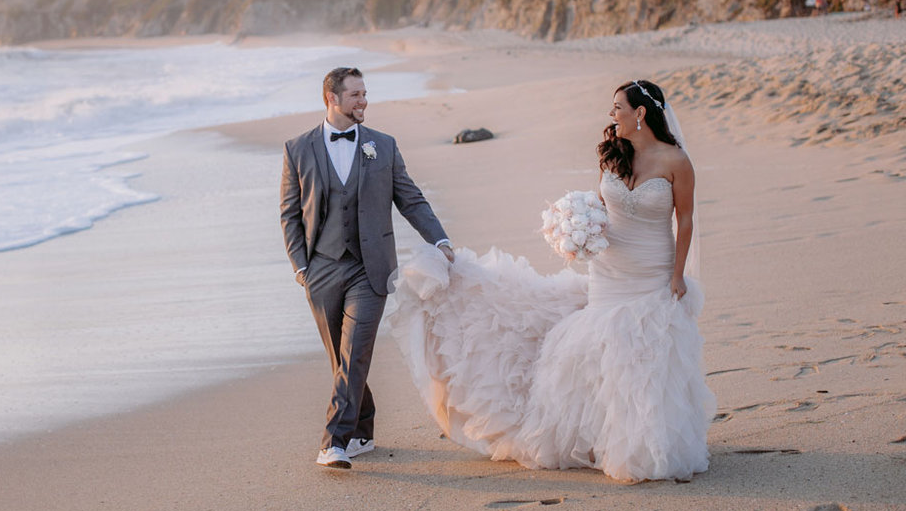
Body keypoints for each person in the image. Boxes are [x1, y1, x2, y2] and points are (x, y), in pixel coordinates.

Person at [387, 80, 715, 483]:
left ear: (640, 113)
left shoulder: (675, 161)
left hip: (651, 269)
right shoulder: (614, 155)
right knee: (604, 350)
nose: (612, 115)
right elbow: (603, 208)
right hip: (609, 271)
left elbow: (685, 221)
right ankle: (603, 436)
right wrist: (578, 230)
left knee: (645, 353)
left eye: (617, 108)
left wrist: (678, 273)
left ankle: (647, 442)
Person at [280, 67, 455, 470]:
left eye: (364, 94)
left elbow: (410, 199)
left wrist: (440, 239)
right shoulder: (297, 149)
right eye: (355, 95)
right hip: (320, 268)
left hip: (370, 268)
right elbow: (289, 213)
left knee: (355, 351)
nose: (363, 102)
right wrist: (300, 267)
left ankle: (334, 442)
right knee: (341, 359)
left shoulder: (384, 146)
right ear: (332, 98)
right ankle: (361, 429)